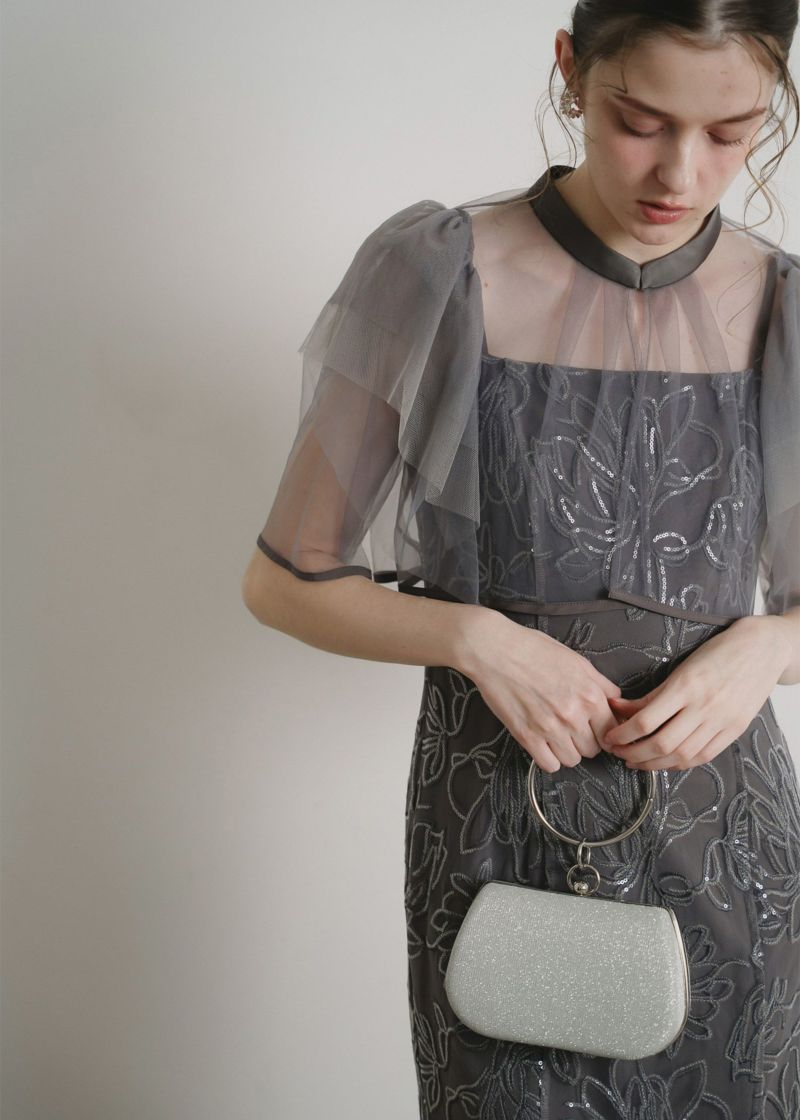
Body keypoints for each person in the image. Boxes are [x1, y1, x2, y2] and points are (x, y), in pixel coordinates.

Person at [241, 2, 800, 1115]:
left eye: (730, 132)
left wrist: (767, 646)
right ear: (570, 71)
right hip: (497, 834)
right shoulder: (438, 270)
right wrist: (472, 635)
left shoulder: (787, 306)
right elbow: (281, 580)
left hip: (724, 841)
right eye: (639, 120)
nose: (680, 173)